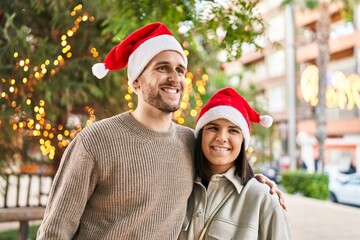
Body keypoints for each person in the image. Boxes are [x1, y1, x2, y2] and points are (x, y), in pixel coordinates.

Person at [37, 22, 284, 239]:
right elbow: (54, 232)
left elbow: (220, 172)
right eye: (162, 68)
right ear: (136, 81)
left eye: (180, 70)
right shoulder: (95, 141)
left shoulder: (190, 142)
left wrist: (257, 182)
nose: (174, 78)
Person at [179, 87, 292, 240]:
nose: (222, 137)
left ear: (243, 141)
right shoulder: (180, 188)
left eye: (233, 130)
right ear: (200, 135)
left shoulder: (264, 200)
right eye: (213, 128)